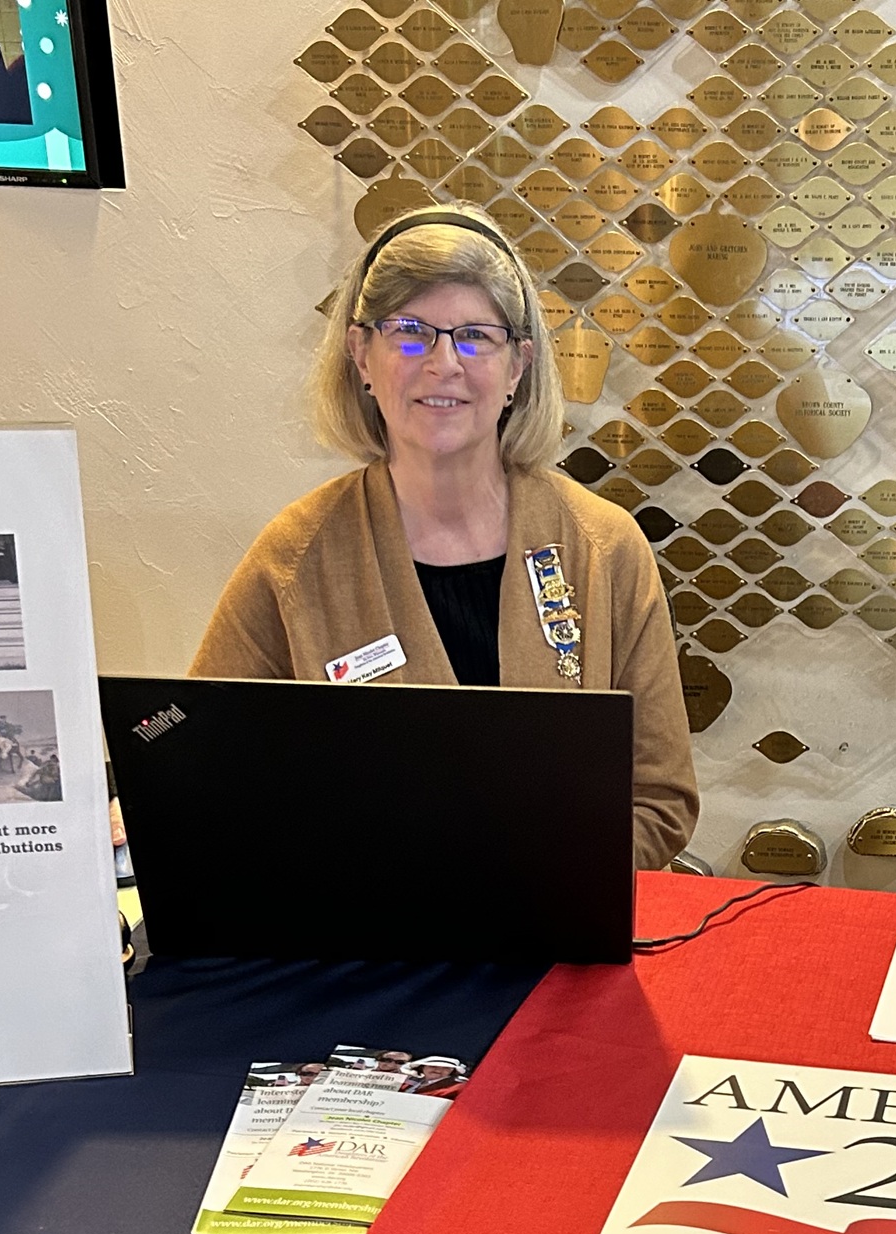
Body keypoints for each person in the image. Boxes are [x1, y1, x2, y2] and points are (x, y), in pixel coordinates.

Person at [192, 203, 697, 869]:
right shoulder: (293, 559)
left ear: (518, 367)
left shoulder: (604, 550)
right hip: (371, 952)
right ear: (360, 357)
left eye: (474, 337)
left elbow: (660, 799)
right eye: (409, 332)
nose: (442, 363)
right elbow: (200, 773)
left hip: (555, 940)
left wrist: (543, 883)